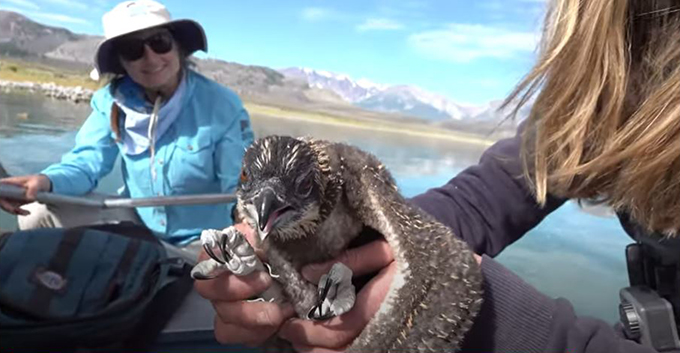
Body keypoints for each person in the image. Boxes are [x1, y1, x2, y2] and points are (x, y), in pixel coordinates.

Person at [194, 0, 680, 352]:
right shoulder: (623, 83)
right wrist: (342, 251)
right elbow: (492, 195)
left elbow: (472, 301)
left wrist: (464, 305)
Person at [0, 0, 254, 254]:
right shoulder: (110, 102)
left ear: (178, 47)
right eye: (132, 49)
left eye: (159, 42)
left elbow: (239, 186)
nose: (150, 58)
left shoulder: (223, 106)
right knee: (36, 213)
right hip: (133, 222)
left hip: (204, 240)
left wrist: (244, 229)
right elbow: (87, 162)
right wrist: (45, 181)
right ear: (122, 62)